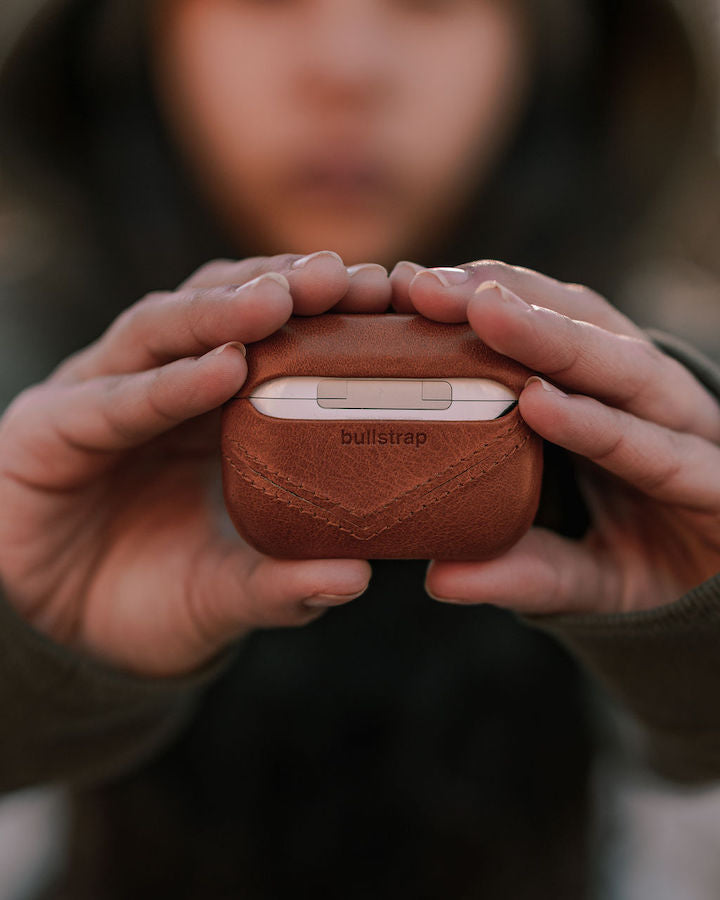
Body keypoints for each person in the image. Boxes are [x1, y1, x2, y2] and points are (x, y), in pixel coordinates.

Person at [0, 0, 719, 896]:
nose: (346, 67)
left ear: (554, 44)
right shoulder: (20, 384)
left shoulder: (692, 405)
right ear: (134, 36)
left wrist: (699, 654)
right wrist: (27, 659)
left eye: (431, 3)